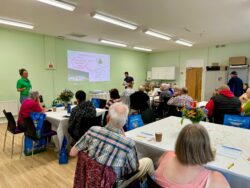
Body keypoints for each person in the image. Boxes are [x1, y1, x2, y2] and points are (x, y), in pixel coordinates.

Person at [70, 103, 154, 188]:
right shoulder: (128, 144)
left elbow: (72, 153)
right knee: (148, 161)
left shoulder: (93, 130)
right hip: (112, 184)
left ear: (107, 117)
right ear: (124, 122)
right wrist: (124, 137)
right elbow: (133, 170)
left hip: (89, 179)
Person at [154, 124, 230, 188]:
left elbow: (157, 165)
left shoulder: (167, 155)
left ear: (179, 142)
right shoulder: (215, 178)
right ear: (205, 147)